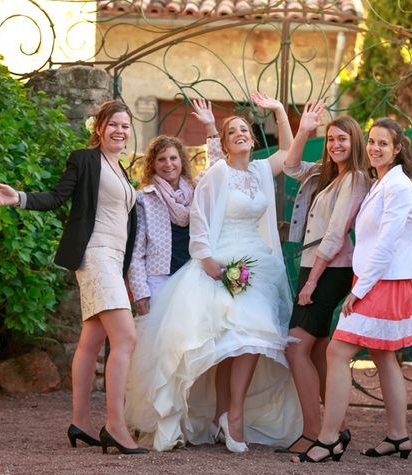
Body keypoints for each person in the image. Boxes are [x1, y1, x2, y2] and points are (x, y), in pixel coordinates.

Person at [124, 92, 302, 453]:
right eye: (231, 131)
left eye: (243, 130)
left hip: (258, 266)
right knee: (233, 342)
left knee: (247, 341)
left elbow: (289, 154)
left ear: (252, 139)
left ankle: (229, 414)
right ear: (224, 143)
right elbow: (200, 217)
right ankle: (230, 416)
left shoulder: (259, 171)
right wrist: (205, 259)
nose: (238, 133)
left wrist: (281, 111)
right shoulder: (218, 173)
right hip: (222, 264)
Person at [0, 99, 148, 455]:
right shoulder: (85, 159)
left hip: (113, 261)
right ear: (99, 128)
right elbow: (58, 197)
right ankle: (116, 426)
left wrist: (126, 274)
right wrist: (20, 199)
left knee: (91, 341)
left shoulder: (123, 171)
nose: (120, 130)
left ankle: (81, 421)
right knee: (126, 339)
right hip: (95, 255)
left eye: (125, 125)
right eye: (114, 124)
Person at [294, 117, 412, 463]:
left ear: (397, 149)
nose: (375, 148)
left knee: (336, 352)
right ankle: (398, 436)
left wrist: (360, 289)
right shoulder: (379, 182)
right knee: (384, 356)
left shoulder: (398, 187)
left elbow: (385, 245)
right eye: (371, 141)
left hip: (382, 282)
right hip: (375, 279)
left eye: (383, 143)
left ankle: (328, 439)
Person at [275, 99, 369, 455]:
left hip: (330, 270)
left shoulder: (356, 178)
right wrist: (304, 130)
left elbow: (335, 233)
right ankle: (336, 429)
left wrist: (312, 281)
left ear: (355, 141)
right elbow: (291, 166)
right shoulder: (329, 173)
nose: (335, 145)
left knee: (296, 346)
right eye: (330, 139)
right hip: (315, 266)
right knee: (313, 351)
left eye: (342, 139)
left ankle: (315, 432)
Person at [128, 100, 221, 315]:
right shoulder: (145, 198)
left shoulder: (196, 190)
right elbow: (136, 251)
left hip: (193, 273)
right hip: (159, 279)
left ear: (182, 161)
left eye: (173, 158)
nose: (168, 164)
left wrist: (210, 128)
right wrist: (140, 292)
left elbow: (218, 168)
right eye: (161, 159)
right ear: (152, 164)